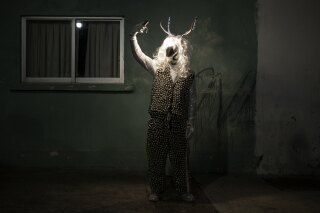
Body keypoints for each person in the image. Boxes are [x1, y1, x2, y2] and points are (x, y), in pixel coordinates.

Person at [129, 18, 197, 202]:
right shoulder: (157, 68)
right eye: (168, 48)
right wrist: (133, 36)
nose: (171, 51)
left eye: (174, 48)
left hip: (178, 123)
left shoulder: (187, 75)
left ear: (180, 50)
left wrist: (191, 122)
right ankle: (156, 190)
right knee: (156, 159)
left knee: (180, 160)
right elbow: (140, 56)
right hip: (158, 121)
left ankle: (183, 190)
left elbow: (191, 100)